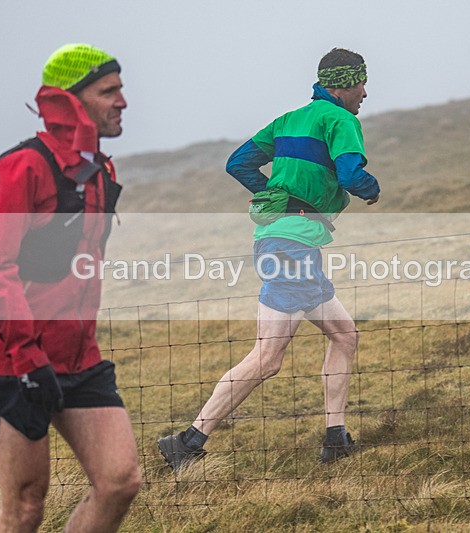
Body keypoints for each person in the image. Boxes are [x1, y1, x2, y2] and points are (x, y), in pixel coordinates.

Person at [158, 47, 380, 470]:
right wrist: (371, 190)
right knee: (267, 358)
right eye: (361, 83)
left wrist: (274, 195)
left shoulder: (288, 120)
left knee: (345, 335)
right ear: (343, 85)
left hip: (284, 243)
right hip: (291, 248)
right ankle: (187, 442)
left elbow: (238, 163)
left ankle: (335, 439)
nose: (365, 93)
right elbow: (351, 174)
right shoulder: (341, 120)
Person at [0, 43, 140, 532]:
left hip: (79, 358)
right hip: (14, 360)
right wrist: (26, 355)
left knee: (119, 481)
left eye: (121, 89)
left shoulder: (98, 169)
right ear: (70, 100)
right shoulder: (22, 167)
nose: (123, 101)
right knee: (24, 508)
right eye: (108, 91)